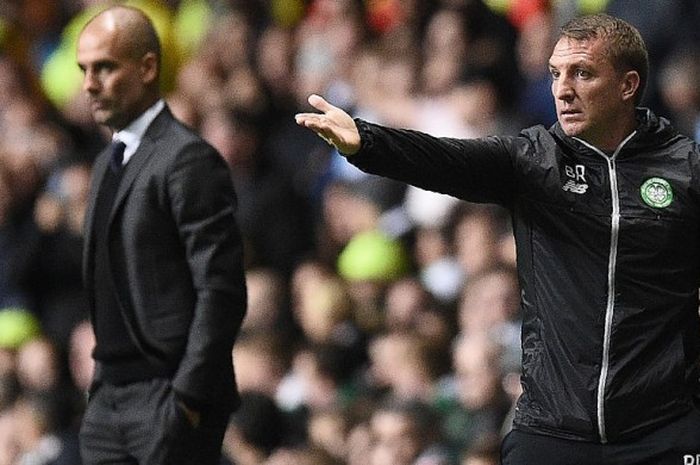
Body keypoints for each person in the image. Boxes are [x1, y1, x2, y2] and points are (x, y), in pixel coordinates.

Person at [296, 13, 700, 465]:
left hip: (662, 431)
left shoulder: (685, 170)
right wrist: (366, 142)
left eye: (582, 73)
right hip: (552, 431)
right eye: (554, 74)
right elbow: (445, 160)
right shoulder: (535, 161)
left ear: (628, 85)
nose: (562, 89)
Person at [76, 6, 246, 465]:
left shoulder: (187, 158)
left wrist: (188, 396)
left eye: (105, 67)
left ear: (148, 68)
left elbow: (222, 289)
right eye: (84, 69)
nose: (89, 83)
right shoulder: (104, 164)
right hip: (110, 400)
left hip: (167, 399)